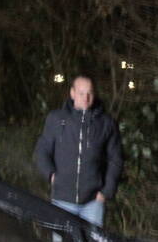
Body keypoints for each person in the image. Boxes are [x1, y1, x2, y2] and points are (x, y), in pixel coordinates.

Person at [34, 74, 123, 227]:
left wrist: (106, 191)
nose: (86, 97)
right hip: (62, 201)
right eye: (81, 93)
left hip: (93, 203)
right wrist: (51, 175)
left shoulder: (106, 123)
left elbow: (115, 159)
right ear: (72, 93)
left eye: (90, 93)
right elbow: (42, 150)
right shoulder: (56, 119)